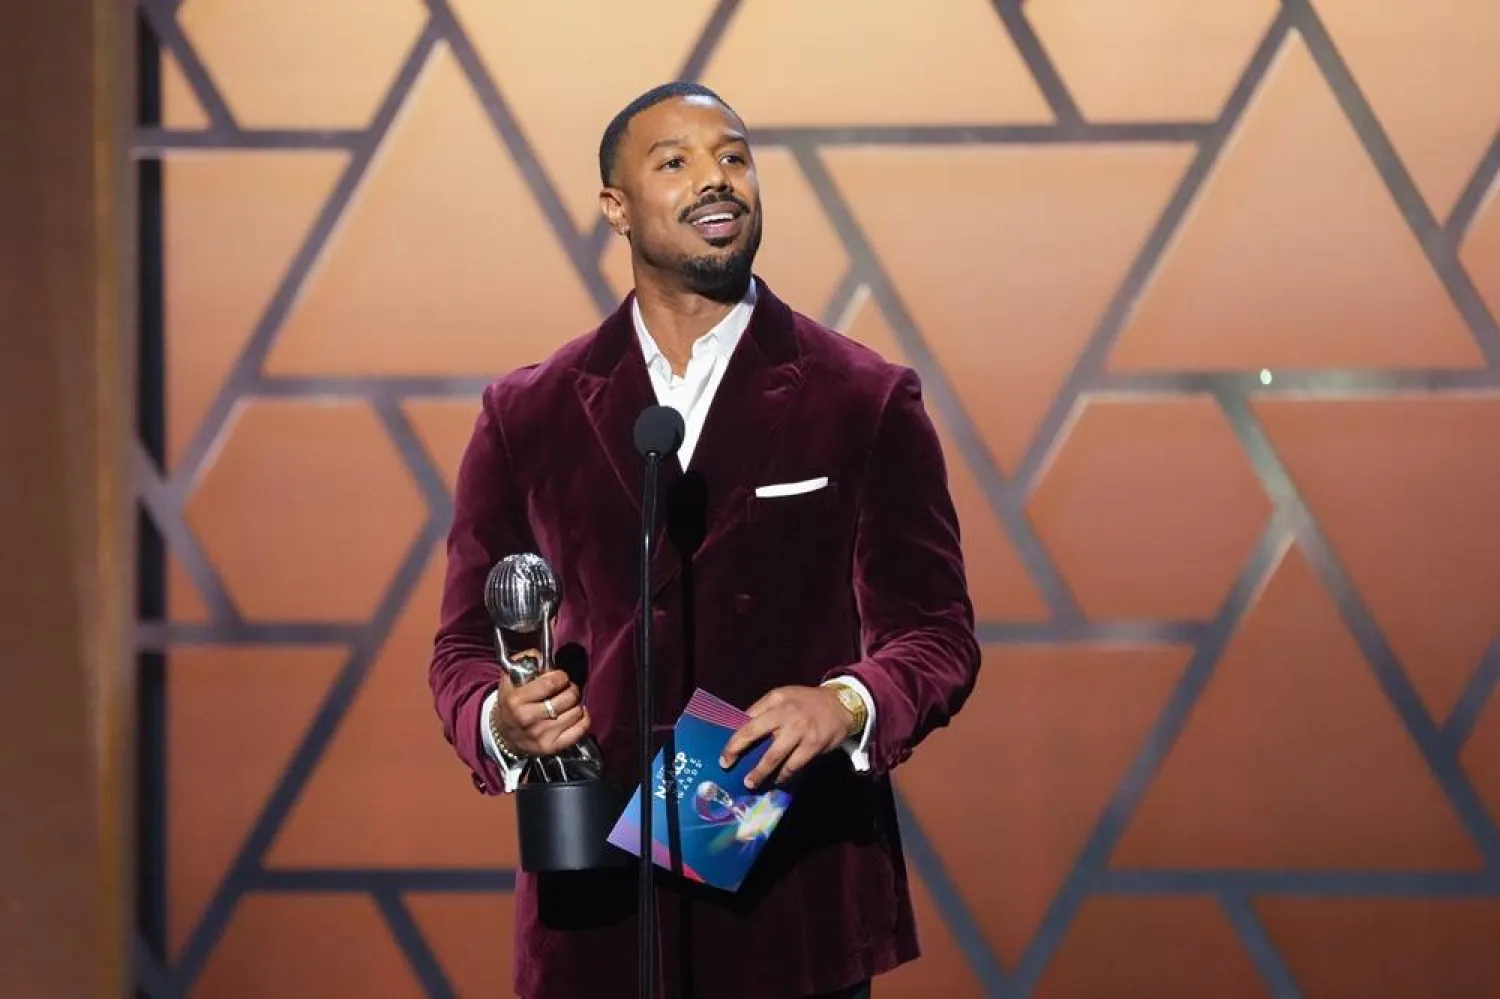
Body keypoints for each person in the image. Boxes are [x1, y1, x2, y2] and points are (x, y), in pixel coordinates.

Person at [429, 81, 981, 999]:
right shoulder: (527, 411)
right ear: (615, 206)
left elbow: (936, 634)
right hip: (592, 907)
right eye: (675, 162)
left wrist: (844, 703)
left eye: (733, 157)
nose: (715, 180)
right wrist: (501, 718)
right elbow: (459, 649)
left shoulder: (863, 396)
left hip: (792, 903)